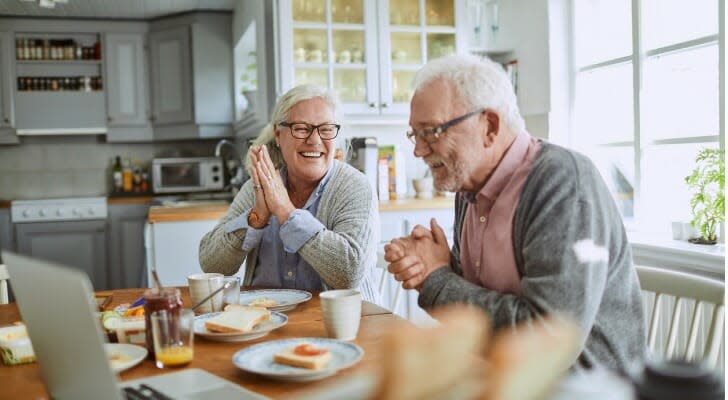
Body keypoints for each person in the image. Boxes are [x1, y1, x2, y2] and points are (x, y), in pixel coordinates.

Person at [384, 54, 645, 372]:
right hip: (498, 378)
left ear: (489, 126)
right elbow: (482, 293)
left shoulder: (562, 182)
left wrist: (437, 279)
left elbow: (546, 336)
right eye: (415, 134)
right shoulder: (469, 187)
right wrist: (435, 264)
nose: (419, 150)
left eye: (432, 132)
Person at [199, 84, 379, 302]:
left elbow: (349, 274)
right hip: (265, 323)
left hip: (341, 329)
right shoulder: (259, 186)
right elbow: (211, 264)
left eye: (326, 129)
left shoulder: (355, 187)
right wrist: (257, 217)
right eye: (302, 128)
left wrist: (285, 211)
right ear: (278, 134)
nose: (314, 140)